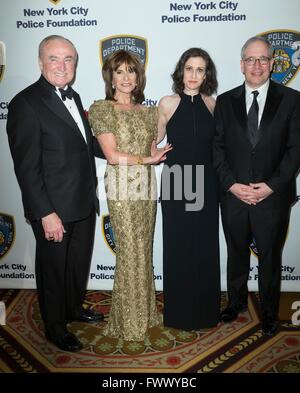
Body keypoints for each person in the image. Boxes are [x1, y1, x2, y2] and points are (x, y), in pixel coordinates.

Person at [6, 35, 104, 352]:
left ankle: (73, 309)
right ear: (40, 62)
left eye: (69, 59)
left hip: (83, 204)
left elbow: (87, 146)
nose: (62, 66)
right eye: (54, 59)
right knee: (52, 271)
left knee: (76, 265)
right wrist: (46, 213)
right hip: (54, 211)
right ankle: (55, 326)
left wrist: (134, 151)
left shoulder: (73, 96)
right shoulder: (25, 103)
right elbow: (27, 168)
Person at [214, 36, 300, 335]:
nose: (257, 65)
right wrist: (232, 185)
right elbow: (217, 148)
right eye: (251, 59)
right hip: (234, 195)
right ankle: (236, 302)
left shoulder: (292, 100)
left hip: (272, 197)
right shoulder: (225, 102)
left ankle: (268, 312)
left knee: (270, 256)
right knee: (235, 251)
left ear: (272, 63)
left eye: (263, 59)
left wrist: (270, 187)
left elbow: (295, 150)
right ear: (241, 64)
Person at [88, 50, 172, 341]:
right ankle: (129, 320)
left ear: (139, 77)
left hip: (147, 187)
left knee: (144, 248)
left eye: (131, 71)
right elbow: (111, 155)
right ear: (110, 77)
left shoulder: (148, 111)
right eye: (119, 71)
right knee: (129, 250)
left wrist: (155, 155)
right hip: (122, 187)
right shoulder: (102, 109)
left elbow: (149, 149)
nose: (126, 78)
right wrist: (146, 160)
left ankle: (147, 312)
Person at [157, 48, 220, 330]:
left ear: (207, 74)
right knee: (178, 246)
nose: (194, 75)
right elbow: (153, 140)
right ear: (181, 70)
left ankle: (206, 313)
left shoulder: (212, 103)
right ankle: (179, 314)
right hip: (176, 182)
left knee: (205, 247)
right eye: (189, 68)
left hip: (207, 182)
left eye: (200, 70)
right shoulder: (167, 103)